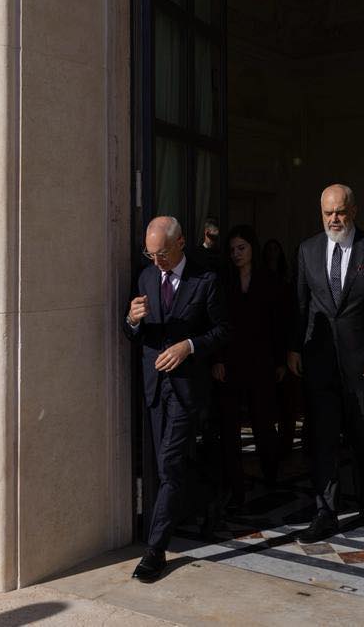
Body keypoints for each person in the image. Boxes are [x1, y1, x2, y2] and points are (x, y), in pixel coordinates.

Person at [288, 184, 364, 542]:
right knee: (322, 436)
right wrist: (294, 348)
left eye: (340, 212)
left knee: (363, 434)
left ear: (353, 211)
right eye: (327, 213)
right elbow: (300, 304)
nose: (334, 219)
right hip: (319, 361)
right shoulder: (307, 249)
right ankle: (326, 511)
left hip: (362, 362)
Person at [124, 216, 228, 582]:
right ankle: (209, 498)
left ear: (181, 243)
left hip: (186, 388)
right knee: (168, 463)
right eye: (150, 254)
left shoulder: (206, 279)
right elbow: (134, 333)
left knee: (169, 463)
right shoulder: (145, 277)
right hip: (155, 386)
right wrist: (132, 320)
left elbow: (223, 330)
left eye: (163, 253)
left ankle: (155, 550)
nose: (157, 261)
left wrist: (190, 346)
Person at [212, 225, 289, 506]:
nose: (236, 254)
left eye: (241, 248)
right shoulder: (223, 282)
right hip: (231, 363)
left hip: (262, 362)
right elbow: (215, 321)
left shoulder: (270, 281)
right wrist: (217, 359)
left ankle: (271, 475)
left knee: (264, 423)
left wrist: (280, 360)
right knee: (230, 426)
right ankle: (234, 485)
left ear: (253, 248)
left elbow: (280, 324)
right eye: (232, 249)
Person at [262, 238, 301, 456]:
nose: (272, 253)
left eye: (276, 249)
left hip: (287, 348)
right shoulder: (261, 280)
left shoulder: (289, 284)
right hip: (267, 349)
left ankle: (285, 444)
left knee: (289, 402)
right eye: (269, 249)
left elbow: (291, 320)